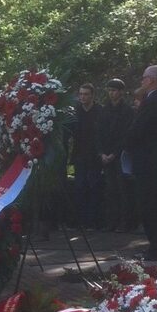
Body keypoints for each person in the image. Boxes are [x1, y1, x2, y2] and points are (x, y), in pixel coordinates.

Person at [124, 65, 157, 262]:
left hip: (151, 163)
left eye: (144, 78)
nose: (142, 81)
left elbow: (139, 130)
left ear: (153, 80)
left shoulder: (153, 101)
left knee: (151, 206)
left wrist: (126, 142)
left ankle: (155, 249)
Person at [98, 78, 135, 232]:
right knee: (110, 189)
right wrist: (101, 152)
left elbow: (126, 134)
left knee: (122, 189)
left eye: (114, 90)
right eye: (110, 90)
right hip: (106, 154)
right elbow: (98, 132)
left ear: (121, 92)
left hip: (119, 155)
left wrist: (114, 153)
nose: (111, 93)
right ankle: (111, 221)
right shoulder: (104, 109)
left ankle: (125, 222)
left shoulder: (127, 110)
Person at [66, 83, 103, 228]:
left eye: (86, 94)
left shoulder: (99, 111)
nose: (83, 97)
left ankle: (93, 220)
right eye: (81, 94)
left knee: (94, 186)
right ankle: (80, 220)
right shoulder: (76, 111)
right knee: (79, 186)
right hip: (80, 153)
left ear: (92, 95)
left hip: (94, 154)